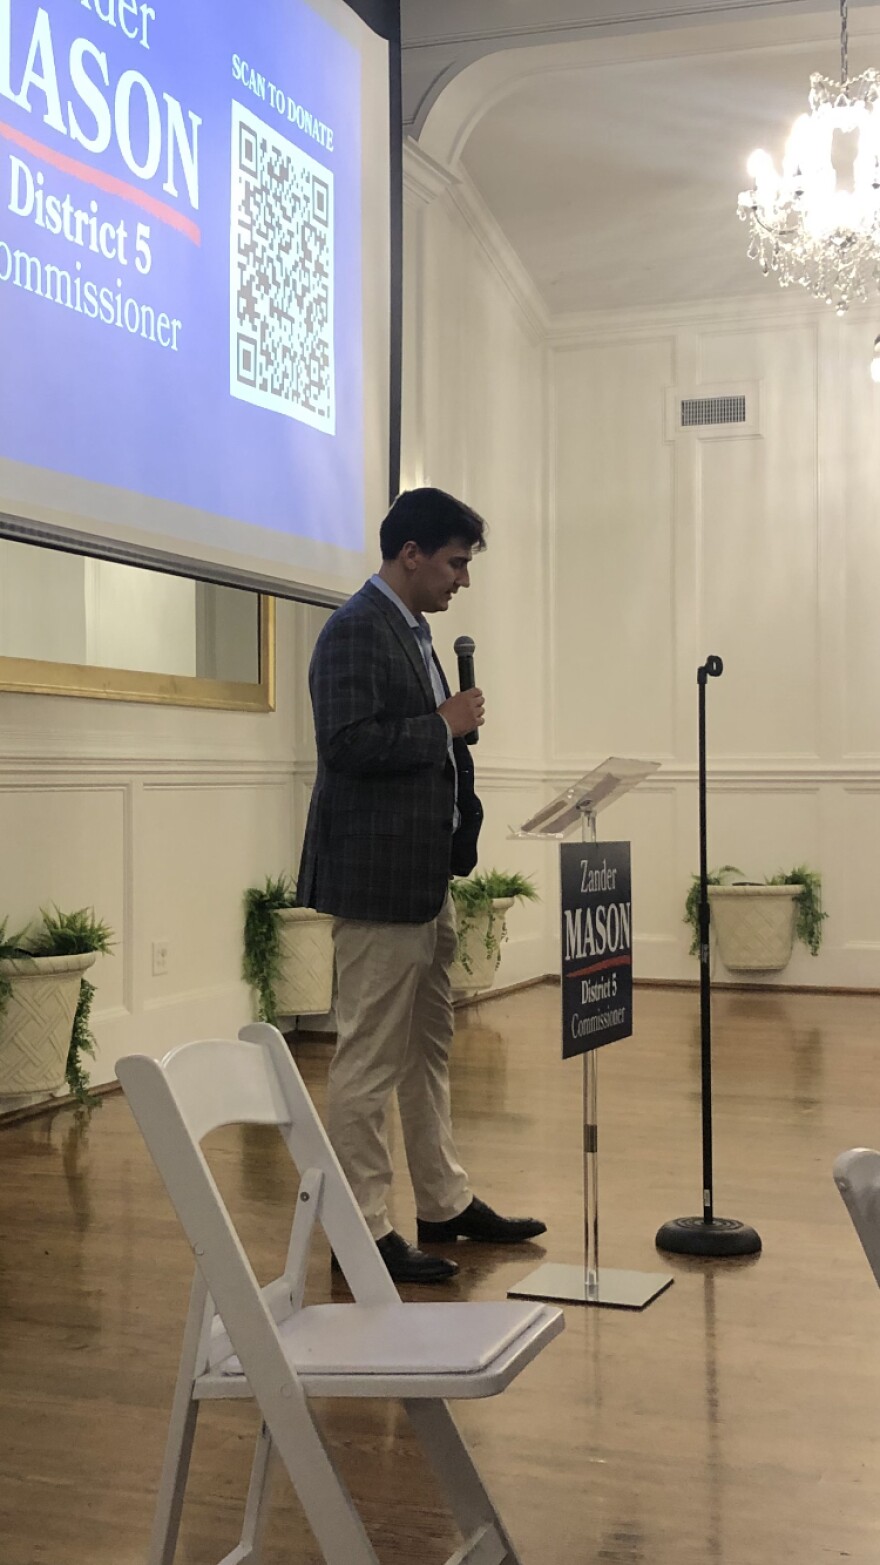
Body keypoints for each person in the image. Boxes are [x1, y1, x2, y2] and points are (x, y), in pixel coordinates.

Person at [297, 486, 546, 1283]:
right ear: (411, 554)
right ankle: (359, 1231)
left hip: (422, 876)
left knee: (427, 1048)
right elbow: (343, 744)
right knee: (369, 1057)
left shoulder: (411, 629)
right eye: (455, 562)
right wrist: (441, 724)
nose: (461, 580)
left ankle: (442, 1201)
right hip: (377, 884)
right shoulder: (352, 631)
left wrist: (448, 741)